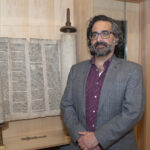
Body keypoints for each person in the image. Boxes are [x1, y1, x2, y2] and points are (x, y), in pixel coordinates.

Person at [60, 15, 145, 150]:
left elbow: (133, 113)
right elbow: (66, 106)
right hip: (80, 146)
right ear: (90, 40)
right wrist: (81, 138)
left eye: (105, 33)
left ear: (116, 38)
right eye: (94, 35)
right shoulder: (76, 70)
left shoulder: (132, 71)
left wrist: (98, 139)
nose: (99, 39)